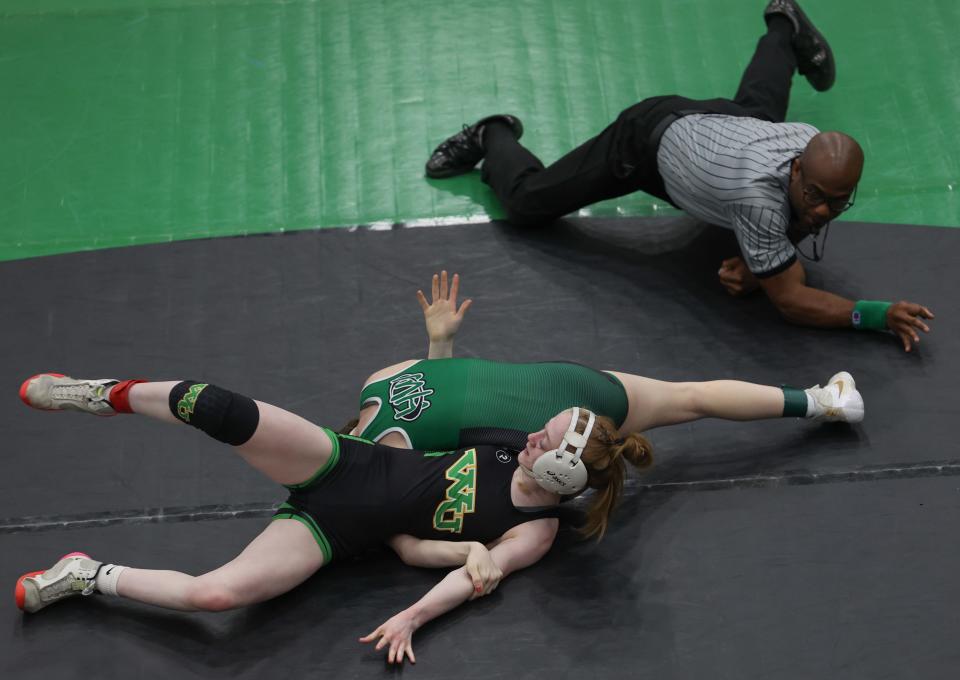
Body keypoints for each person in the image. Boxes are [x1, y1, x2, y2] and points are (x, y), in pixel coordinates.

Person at [14, 374, 650, 665]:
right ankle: (102, 396)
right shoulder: (510, 445)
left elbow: (435, 561)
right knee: (212, 405)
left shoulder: (533, 531)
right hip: (343, 463)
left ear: (560, 479)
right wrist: (439, 348)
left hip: (334, 534)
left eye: (545, 440)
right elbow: (432, 424)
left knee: (214, 595)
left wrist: (414, 612)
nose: (533, 435)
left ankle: (86, 574)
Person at [424, 0, 934, 352]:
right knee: (528, 203)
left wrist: (762, 265)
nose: (824, 210)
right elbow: (795, 301)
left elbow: (802, 213)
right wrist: (876, 314)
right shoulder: (759, 198)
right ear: (798, 168)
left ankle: (785, 27)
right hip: (644, 144)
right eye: (816, 196)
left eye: (838, 200)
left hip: (722, 126)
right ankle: (493, 134)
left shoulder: (808, 144)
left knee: (755, 109)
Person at [349, 271, 866, 452]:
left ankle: (581, 481)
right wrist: (438, 341)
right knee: (691, 396)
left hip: (545, 437)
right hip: (563, 383)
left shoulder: (390, 456)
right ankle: (824, 401)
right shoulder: (381, 379)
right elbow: (440, 385)